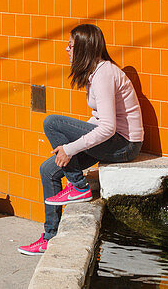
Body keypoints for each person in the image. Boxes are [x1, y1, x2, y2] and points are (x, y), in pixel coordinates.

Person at [18, 23, 144, 256]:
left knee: (52, 123)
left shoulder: (104, 74)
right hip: (113, 140)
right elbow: (98, 119)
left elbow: (107, 128)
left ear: (85, 48)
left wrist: (70, 147)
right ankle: (50, 236)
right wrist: (70, 148)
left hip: (125, 145)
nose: (67, 50)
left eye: (71, 46)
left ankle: (78, 186)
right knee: (48, 169)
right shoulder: (96, 73)